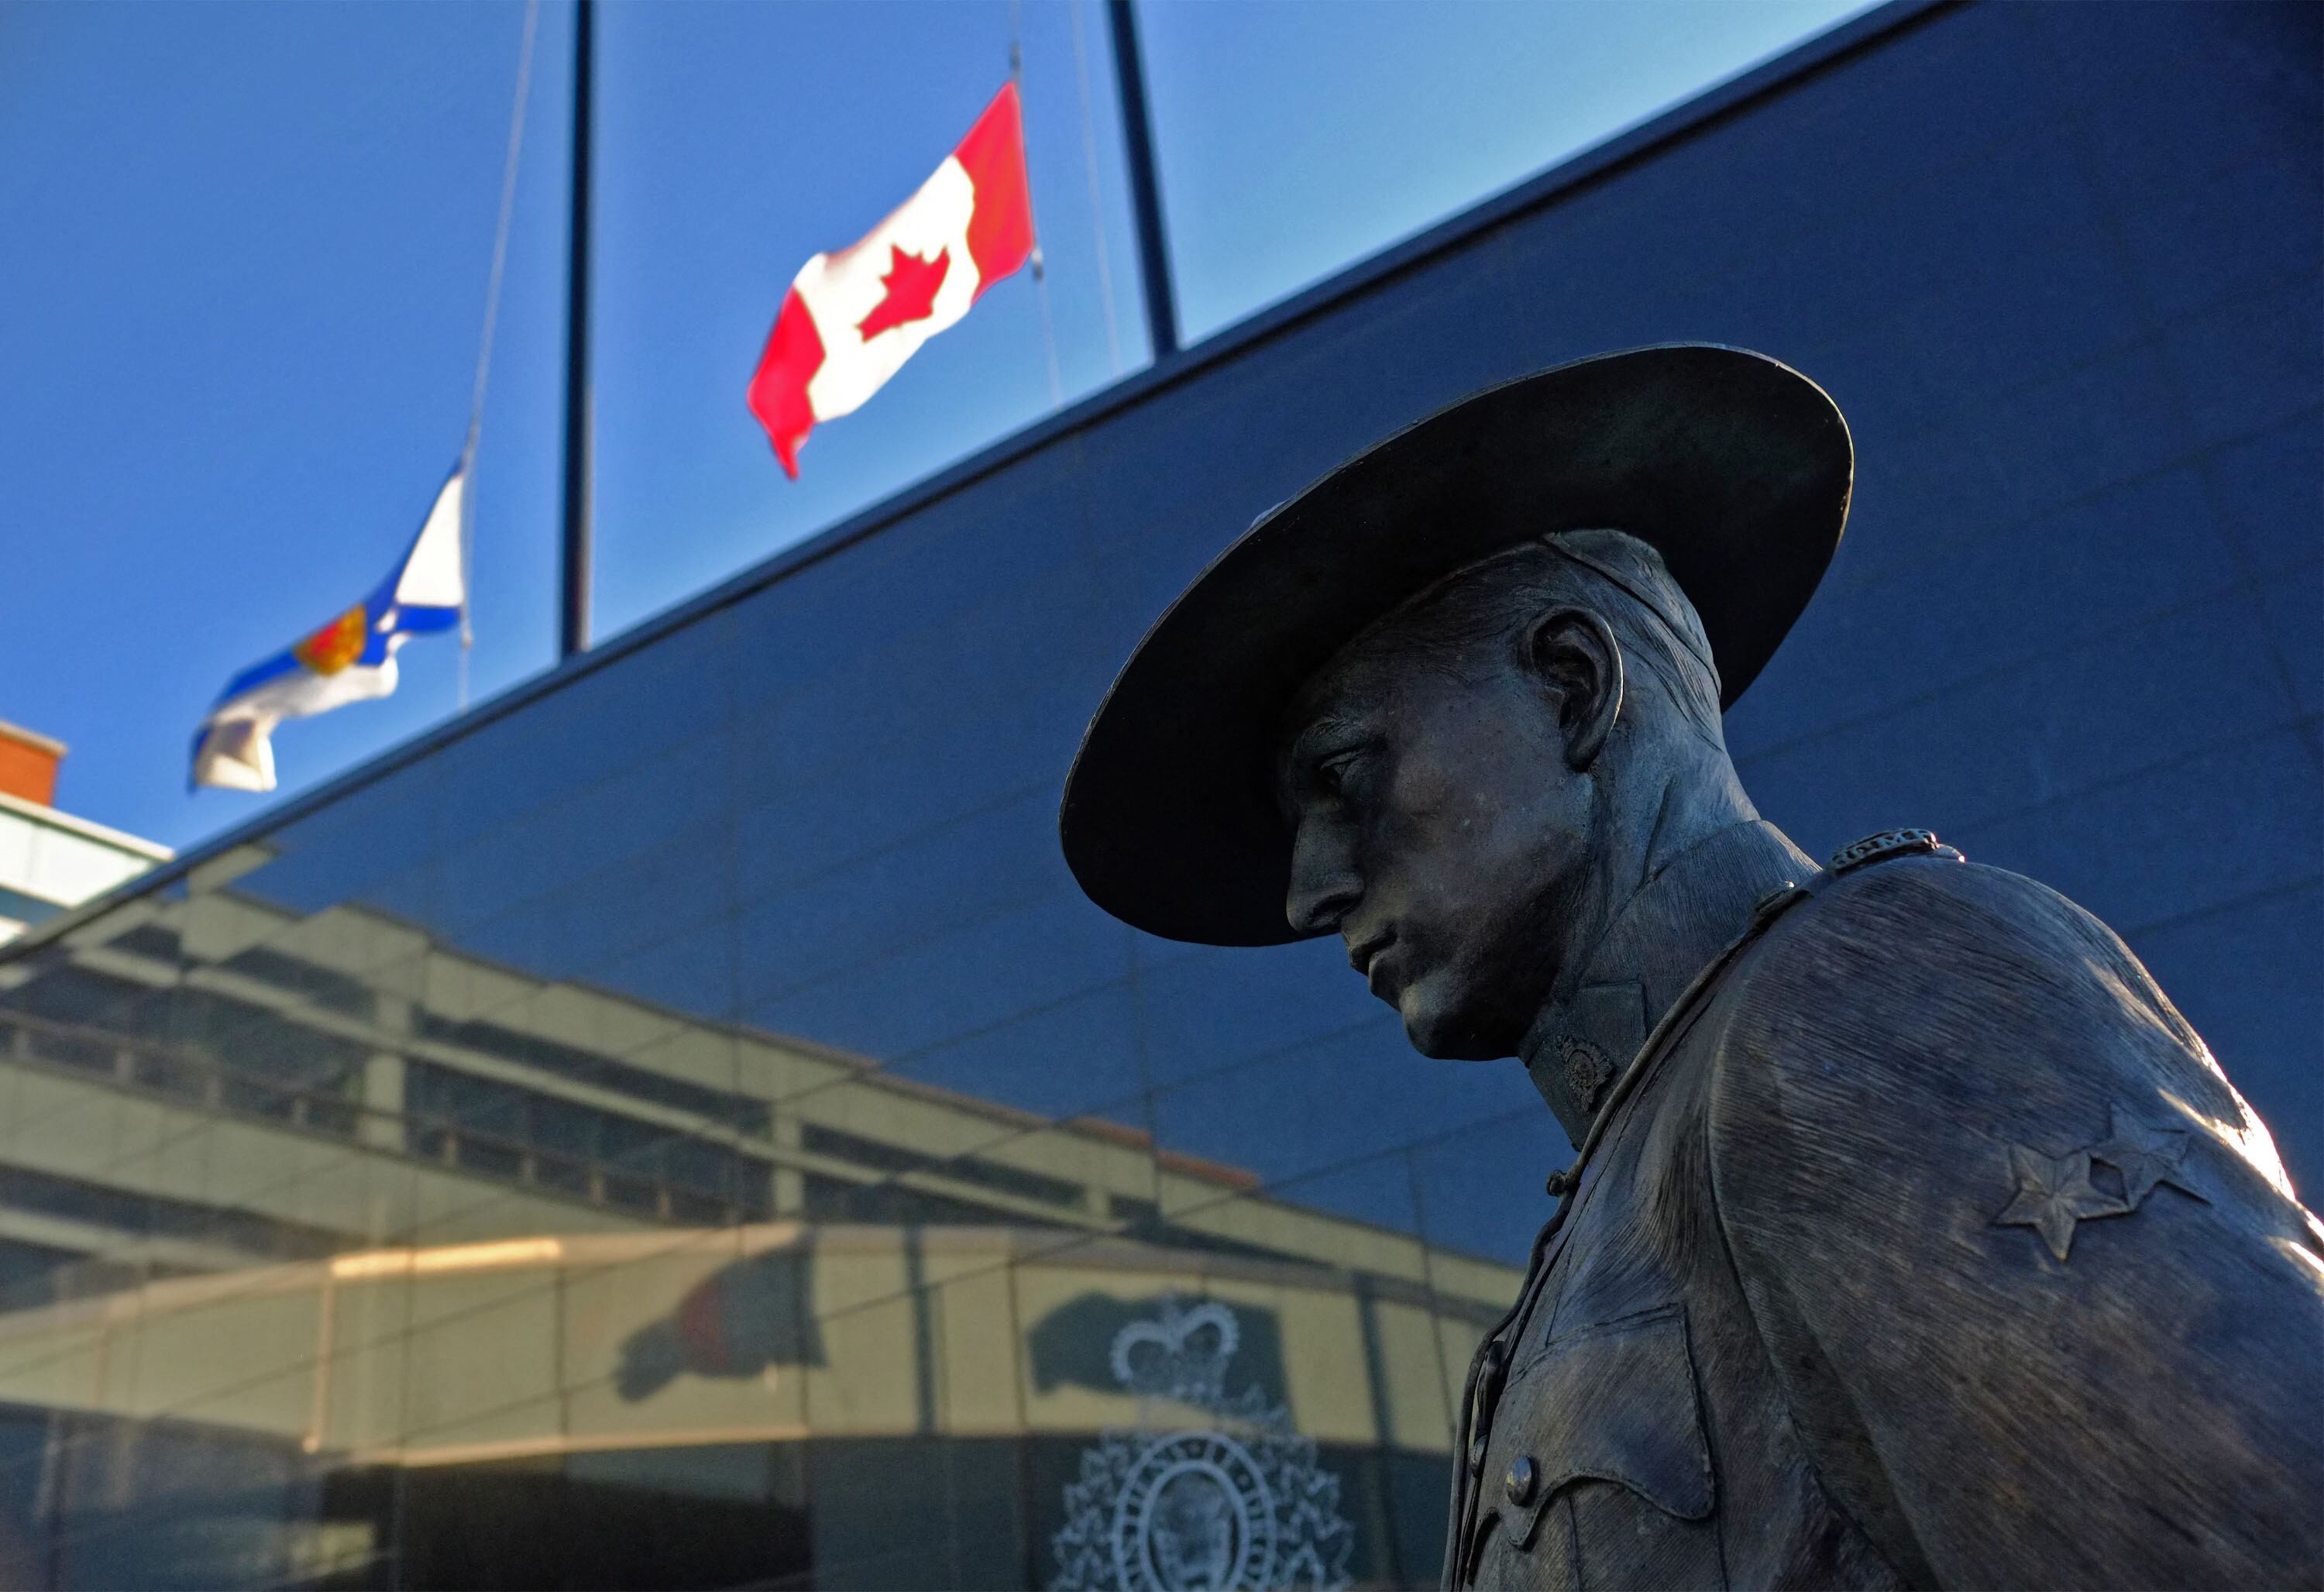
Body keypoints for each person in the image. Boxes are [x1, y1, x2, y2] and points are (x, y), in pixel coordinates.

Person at [1057, 345, 2323, 1590]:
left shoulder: (1851, 1000)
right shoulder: (1634, 1180)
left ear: (1572, 688)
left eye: (1344, 778)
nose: (1309, 891)